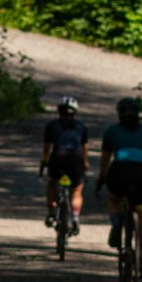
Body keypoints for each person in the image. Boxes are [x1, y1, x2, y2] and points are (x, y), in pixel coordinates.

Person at [98, 96, 142, 276]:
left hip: (119, 172)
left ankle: (116, 222)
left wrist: (102, 178)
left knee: (114, 199)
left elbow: (105, 160)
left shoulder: (112, 132)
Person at [41, 98, 88, 234]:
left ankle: (51, 212)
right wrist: (85, 162)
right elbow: (84, 147)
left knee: (52, 183)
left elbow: (47, 147)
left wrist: (44, 160)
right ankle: (75, 217)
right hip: (75, 159)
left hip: (58, 158)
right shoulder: (81, 126)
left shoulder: (51, 125)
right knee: (76, 190)